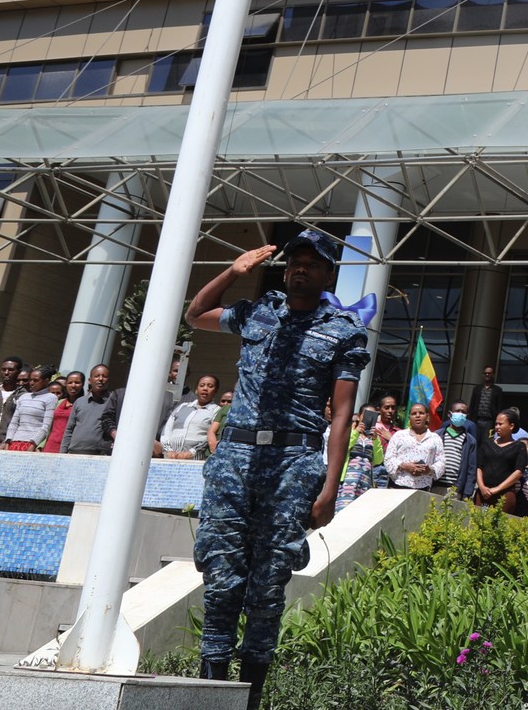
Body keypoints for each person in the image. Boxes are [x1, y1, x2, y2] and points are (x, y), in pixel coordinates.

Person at [186, 232, 367, 708]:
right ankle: (210, 691)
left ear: (329, 274)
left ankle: (250, 696)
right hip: (235, 462)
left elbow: (343, 416)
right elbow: (195, 315)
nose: (299, 269)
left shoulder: (343, 330)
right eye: (294, 263)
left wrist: (331, 488)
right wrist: (233, 271)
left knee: (267, 587)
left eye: (312, 264)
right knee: (221, 578)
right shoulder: (257, 312)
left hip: (294, 463)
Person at [62, 363, 123, 457]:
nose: (100, 379)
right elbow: (69, 429)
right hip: (73, 452)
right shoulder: (79, 402)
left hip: (99, 455)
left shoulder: (114, 403)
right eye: (97, 376)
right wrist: (62, 453)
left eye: (104, 376)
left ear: (109, 380)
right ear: (90, 380)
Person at [158, 375, 224, 459]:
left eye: (210, 386)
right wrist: (168, 450)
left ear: (216, 390)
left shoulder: (216, 411)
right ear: (196, 389)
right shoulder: (182, 407)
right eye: (202, 385)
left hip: (195, 459)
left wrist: (192, 452)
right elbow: (167, 430)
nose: (205, 388)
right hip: (170, 456)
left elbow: (211, 435)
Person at [473, 412, 528, 511]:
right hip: (483, 493)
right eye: (496, 424)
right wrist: (481, 487)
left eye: (501, 424)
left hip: (505, 495)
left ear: (511, 426)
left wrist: (497, 489)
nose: (497, 427)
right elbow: (479, 467)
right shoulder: (487, 443)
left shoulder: (519, 447)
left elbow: (519, 472)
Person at [384, 402, 445, 490]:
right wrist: (404, 466)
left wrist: (429, 470)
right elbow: (388, 459)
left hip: (422, 487)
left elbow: (441, 462)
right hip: (397, 485)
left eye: (421, 413)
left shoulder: (435, 438)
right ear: (409, 417)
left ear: (427, 416)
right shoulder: (399, 435)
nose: (417, 416)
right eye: (414, 414)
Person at [335, 408, 384, 512]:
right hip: (348, 480)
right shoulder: (350, 431)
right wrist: (356, 432)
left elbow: (378, 460)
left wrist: (375, 440)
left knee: (359, 512)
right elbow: (342, 448)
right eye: (366, 414)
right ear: (359, 416)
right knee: (342, 510)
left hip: (365, 481)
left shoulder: (374, 437)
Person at [4, 368, 59, 451]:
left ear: (46, 381)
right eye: (30, 380)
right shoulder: (24, 397)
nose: (32, 383)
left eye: (36, 380)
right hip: (14, 443)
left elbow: (46, 425)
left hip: (31, 444)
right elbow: (14, 422)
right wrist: (8, 441)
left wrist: (33, 444)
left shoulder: (51, 398)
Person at [438, 402, 475, 497]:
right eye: (457, 411)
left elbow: (471, 469)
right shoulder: (437, 435)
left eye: (463, 412)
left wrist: (467, 492)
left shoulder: (470, 440)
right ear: (449, 414)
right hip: (436, 485)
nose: (460, 414)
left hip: (455, 489)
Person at [41, 372, 78, 454]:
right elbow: (47, 425)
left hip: (66, 447)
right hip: (49, 445)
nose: (73, 385)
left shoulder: (81, 404)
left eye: (77, 382)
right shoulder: (59, 403)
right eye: (70, 383)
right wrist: (40, 445)